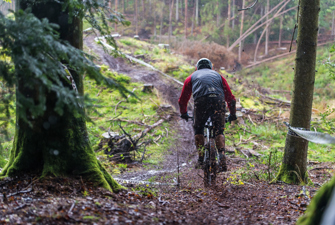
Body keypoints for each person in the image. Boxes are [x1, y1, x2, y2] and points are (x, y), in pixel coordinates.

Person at [178, 58, 237, 172]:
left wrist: (184, 113)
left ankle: (200, 159)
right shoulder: (219, 76)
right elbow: (230, 98)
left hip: (201, 102)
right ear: (211, 68)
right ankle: (222, 156)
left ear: (197, 68)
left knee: (199, 129)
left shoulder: (191, 77)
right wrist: (233, 114)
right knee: (219, 130)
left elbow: (182, 100)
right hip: (218, 101)